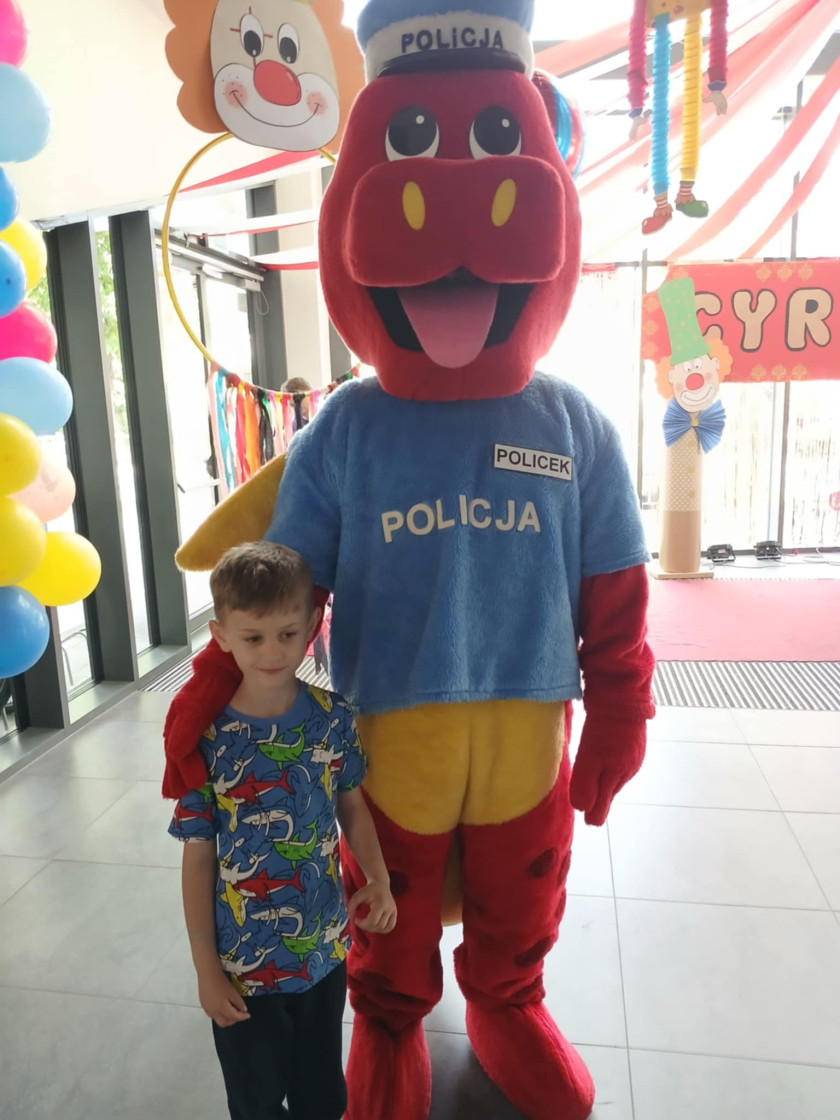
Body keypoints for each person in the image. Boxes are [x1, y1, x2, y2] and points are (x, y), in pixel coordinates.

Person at [168, 541, 396, 1120]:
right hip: (243, 968)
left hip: (322, 951)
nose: (272, 652)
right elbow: (198, 855)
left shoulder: (333, 718)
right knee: (257, 1101)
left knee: (324, 1097)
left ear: (313, 625)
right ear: (221, 635)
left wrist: (379, 877)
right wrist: (205, 968)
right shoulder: (206, 741)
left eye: (287, 634)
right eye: (253, 637)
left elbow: (352, 805)